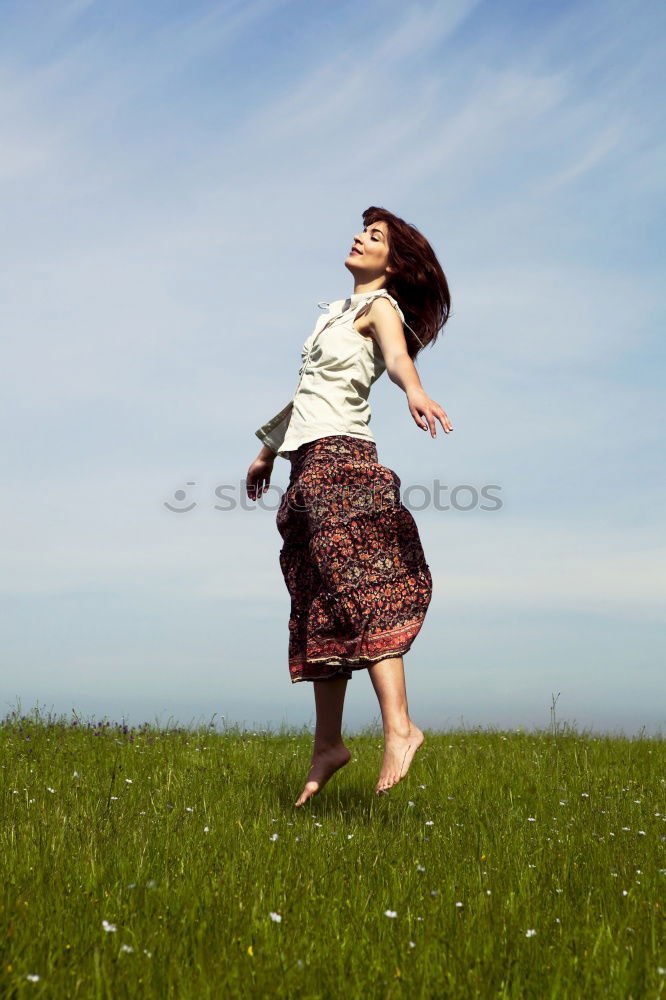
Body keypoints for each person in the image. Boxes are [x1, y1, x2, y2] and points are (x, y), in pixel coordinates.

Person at [246, 206, 452, 806]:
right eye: (364, 230)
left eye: (377, 236)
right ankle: (328, 745)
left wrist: (414, 390)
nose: (361, 238)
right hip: (305, 467)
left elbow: (396, 360)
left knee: (362, 586)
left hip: (343, 461)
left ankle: (400, 727)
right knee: (319, 603)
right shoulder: (330, 316)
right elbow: (308, 393)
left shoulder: (378, 308)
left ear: (394, 261)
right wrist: (265, 452)